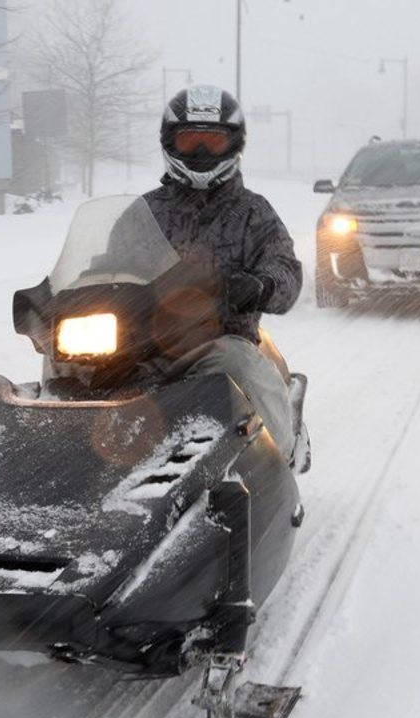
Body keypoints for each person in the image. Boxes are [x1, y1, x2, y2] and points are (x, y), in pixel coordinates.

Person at [143, 84, 302, 457]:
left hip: (218, 339)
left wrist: (260, 285)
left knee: (240, 360)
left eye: (211, 142)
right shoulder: (145, 211)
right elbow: (105, 262)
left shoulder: (253, 213)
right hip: (141, 342)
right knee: (66, 365)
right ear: (170, 143)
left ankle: (279, 459)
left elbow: (286, 270)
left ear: (233, 144)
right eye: (190, 141)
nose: (200, 152)